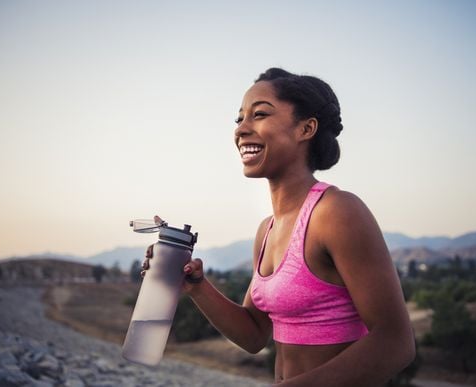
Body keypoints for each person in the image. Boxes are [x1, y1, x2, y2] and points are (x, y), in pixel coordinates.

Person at [142, 68, 415, 386]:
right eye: (239, 119)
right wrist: (197, 287)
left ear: (306, 128)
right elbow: (255, 334)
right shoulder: (267, 231)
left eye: (259, 114)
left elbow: (396, 343)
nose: (242, 129)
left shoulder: (336, 212)